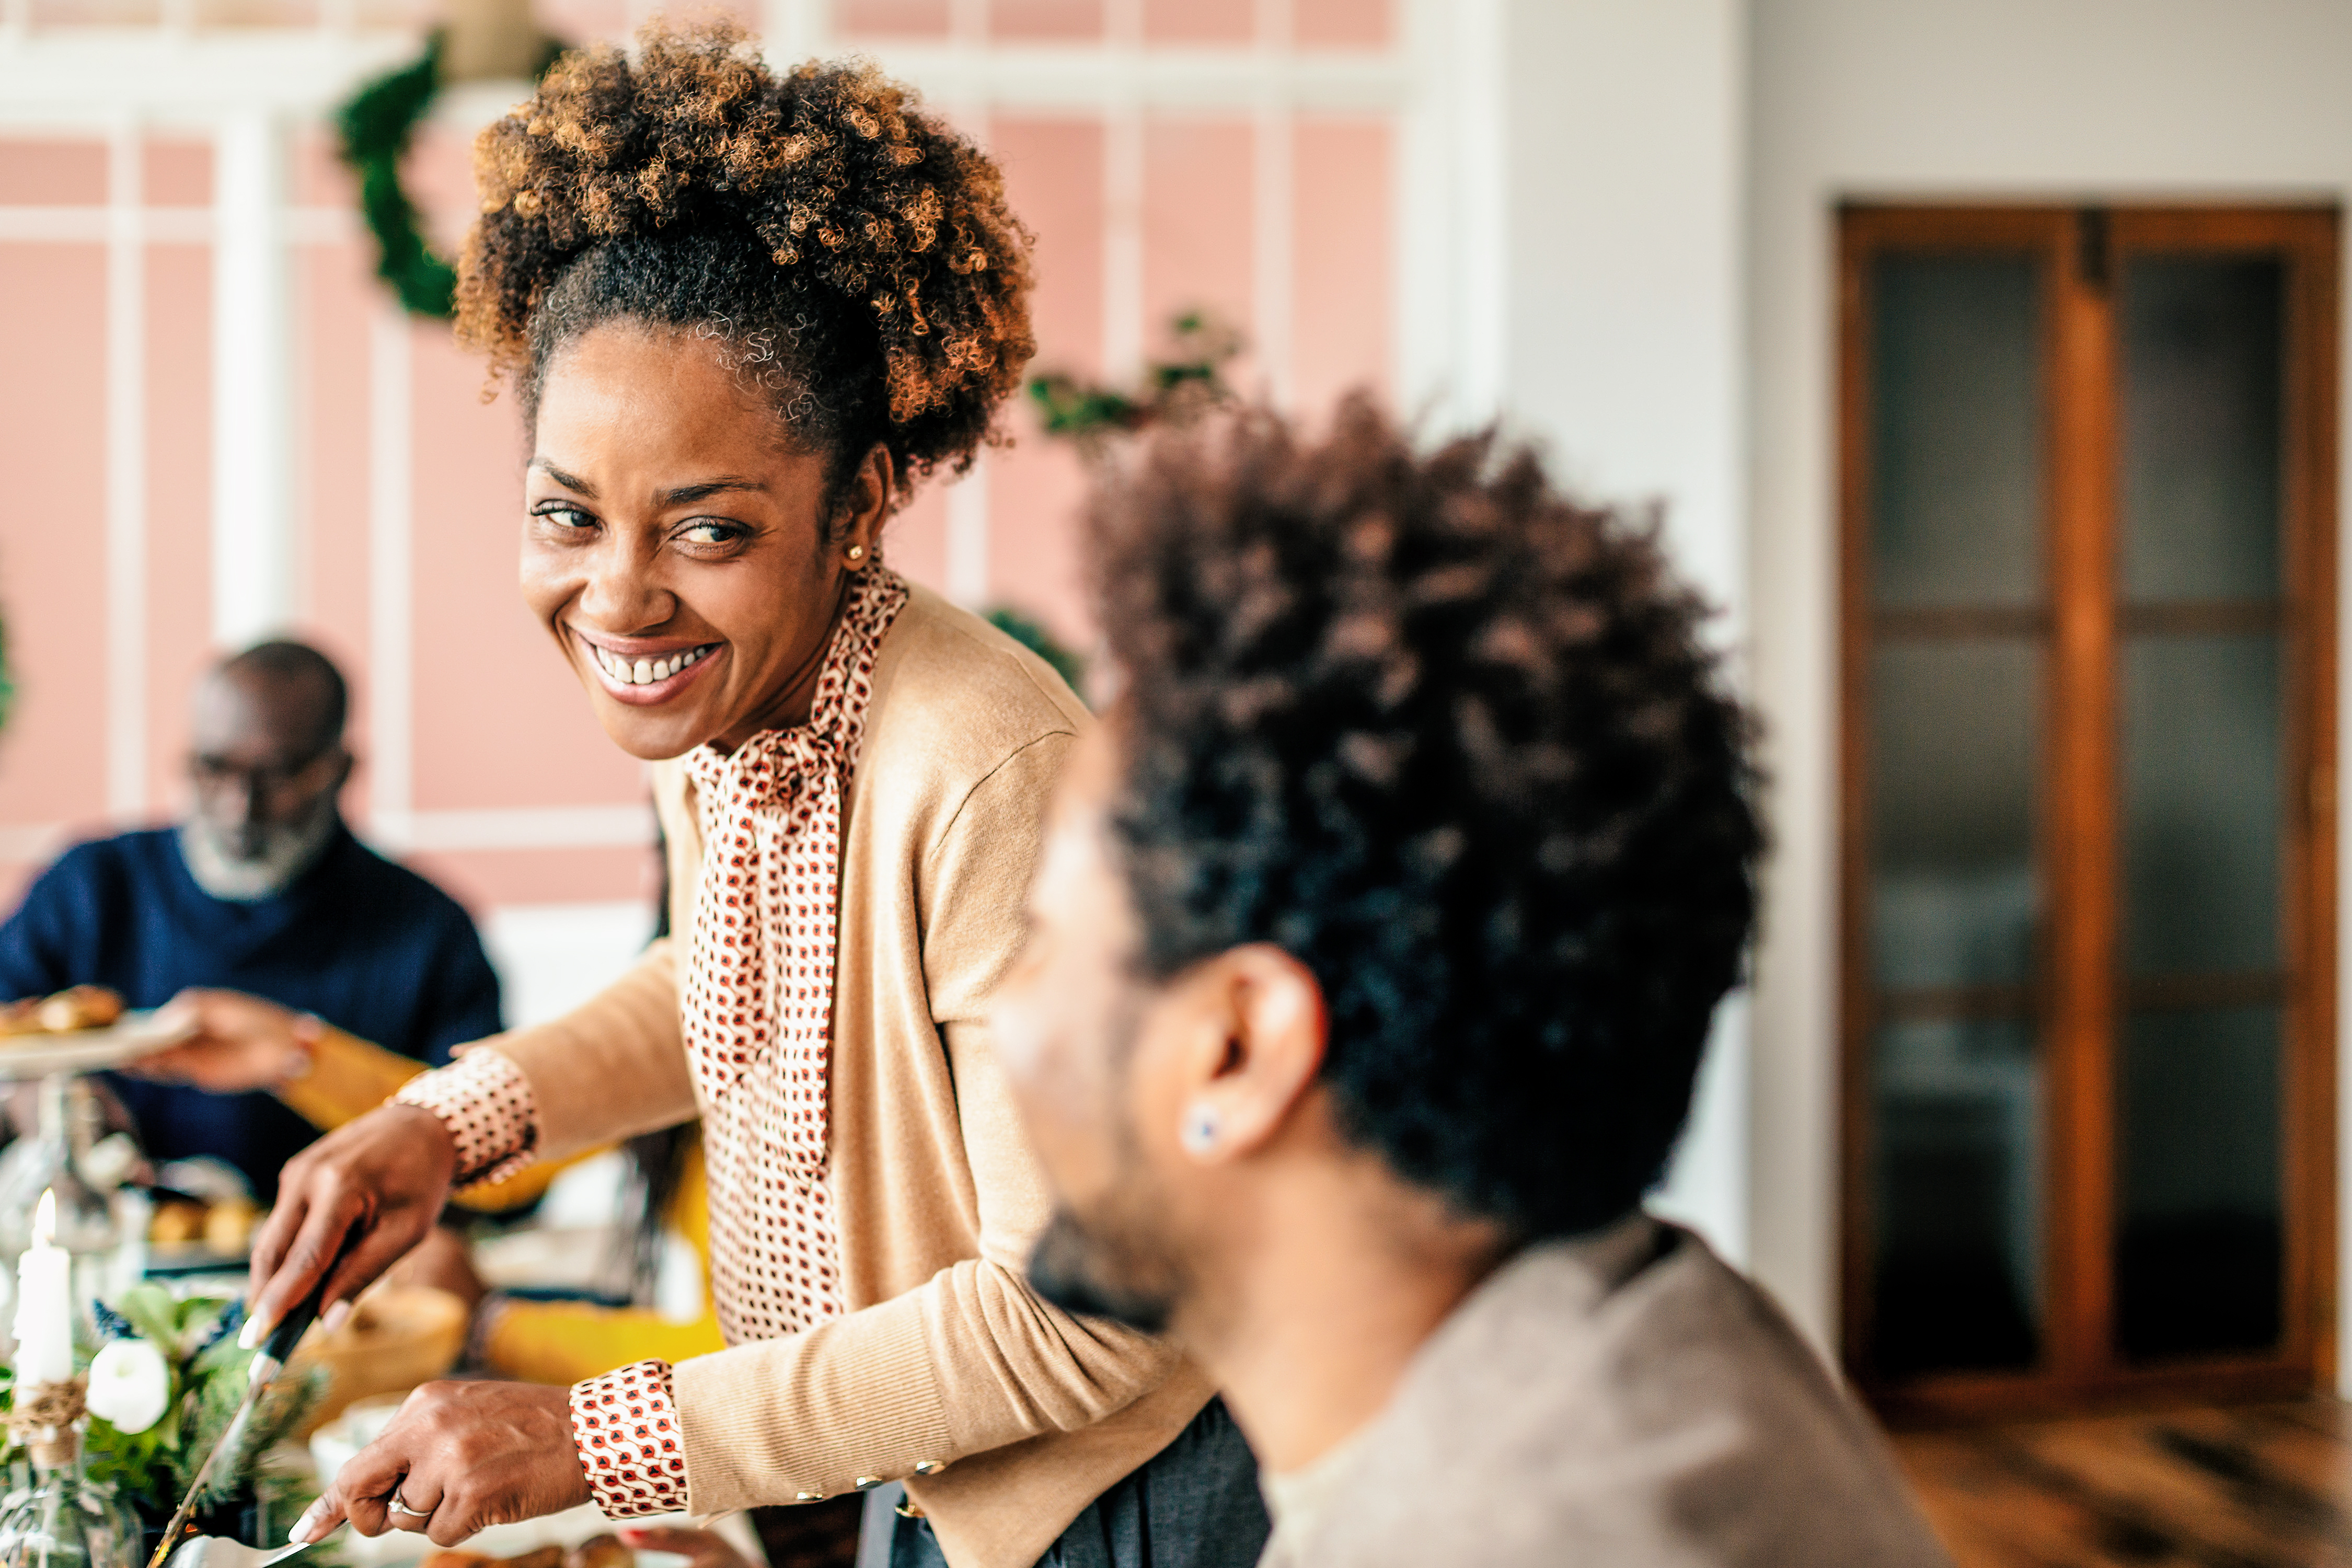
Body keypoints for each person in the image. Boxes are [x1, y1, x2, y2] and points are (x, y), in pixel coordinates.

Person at [253, 25, 1265, 1568]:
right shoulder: (734, 698)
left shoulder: (991, 770)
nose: (620, 597)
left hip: (1112, 1503)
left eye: (706, 531)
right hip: (931, 1464)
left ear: (856, 505)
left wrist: (591, 1433)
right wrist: (444, 1123)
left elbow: (1085, 1315)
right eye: (567, 515)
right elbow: (741, 984)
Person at [987, 400, 1957, 1567]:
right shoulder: (1646, 1347)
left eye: (1041, 941)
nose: (1004, 1011)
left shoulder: (1529, 1528)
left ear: (1238, 1051)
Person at [0, 640, 501, 1200]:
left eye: (278, 776)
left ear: (339, 771)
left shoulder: (429, 932)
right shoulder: (89, 889)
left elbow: (496, 1154)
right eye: (214, 769)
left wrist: (301, 1059)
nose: (240, 807)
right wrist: (38, 1101)